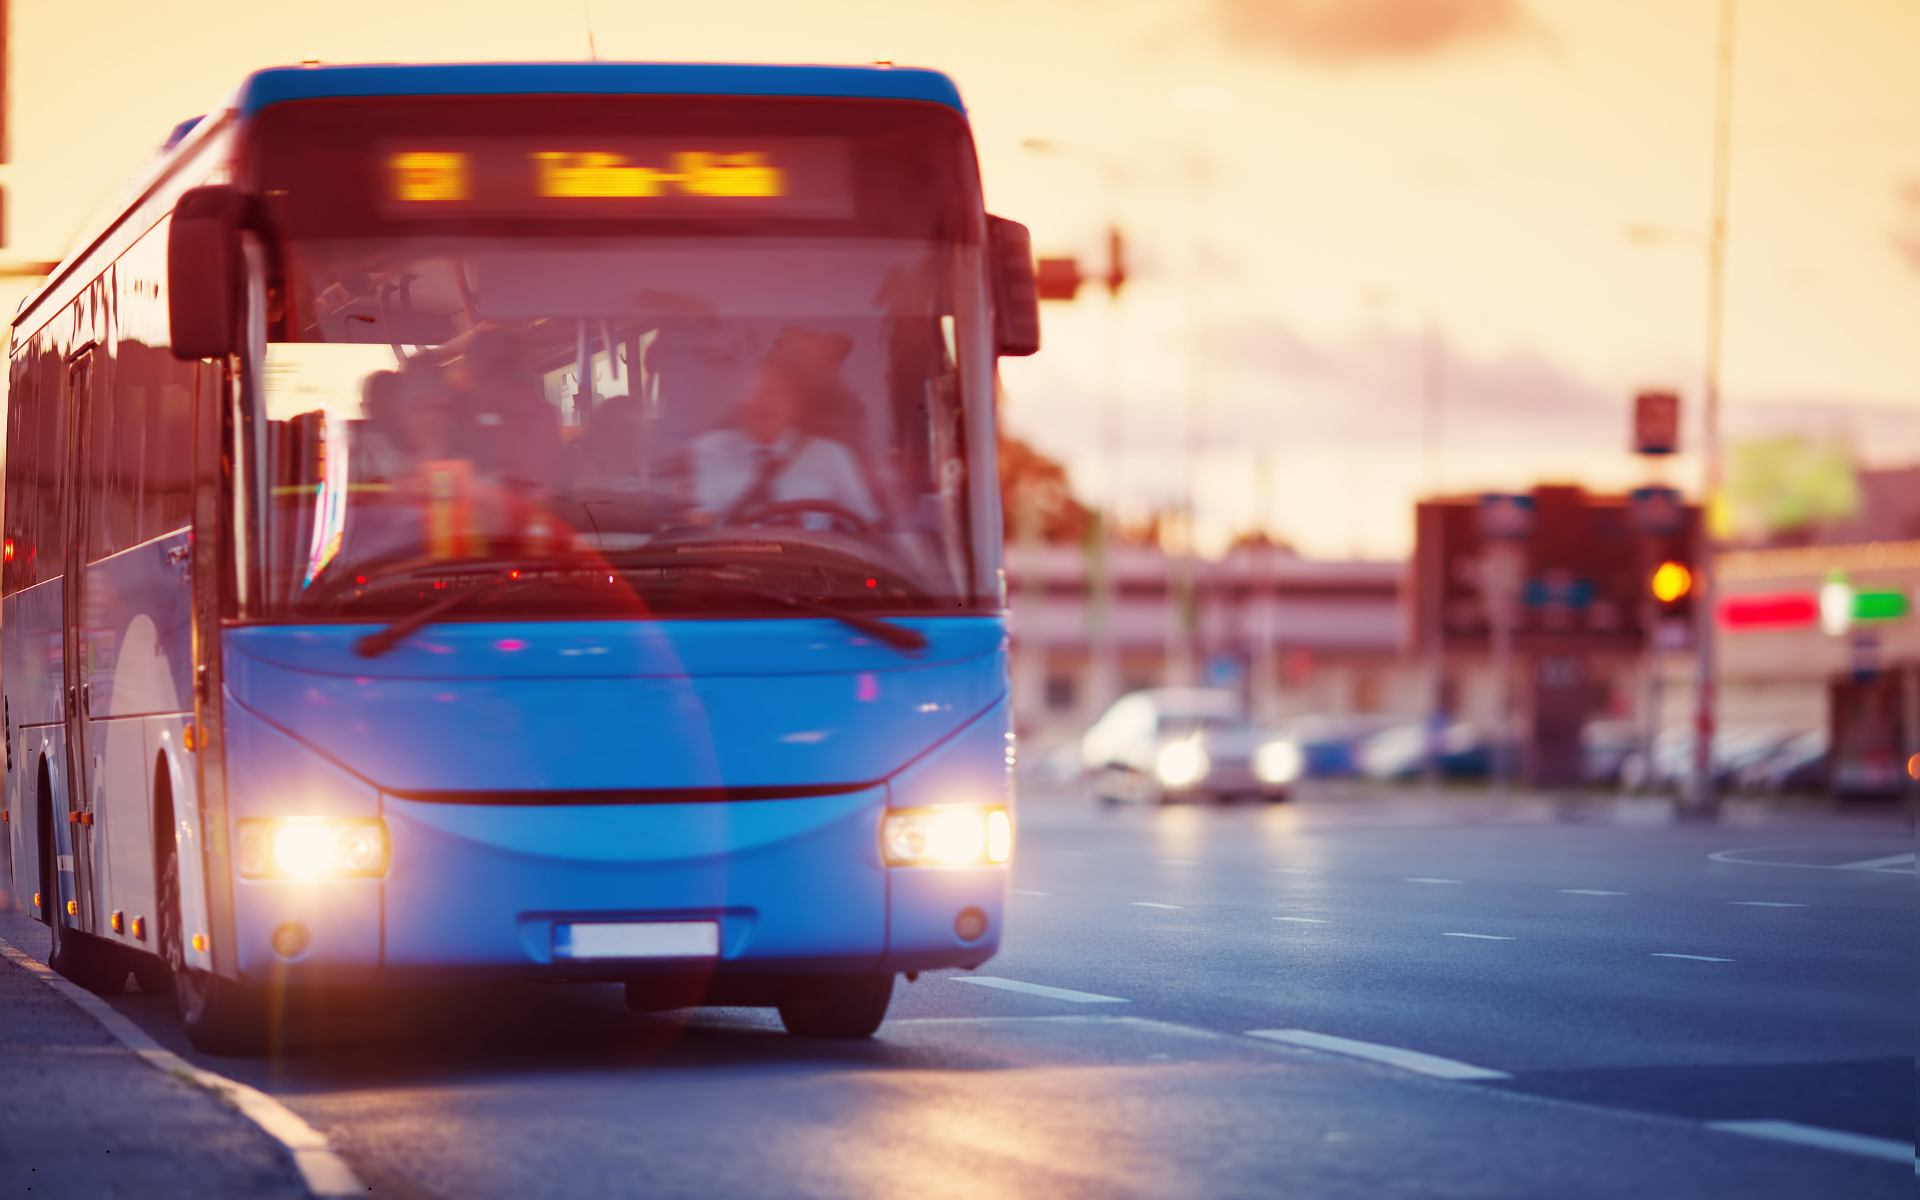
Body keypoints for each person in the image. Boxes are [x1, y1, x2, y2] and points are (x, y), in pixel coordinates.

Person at [688, 329, 881, 530]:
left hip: (812, 559)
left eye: (779, 393)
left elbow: (866, 524)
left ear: (797, 406)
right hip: (730, 558)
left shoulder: (831, 455)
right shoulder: (710, 449)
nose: (765, 402)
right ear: (740, 400)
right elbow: (695, 519)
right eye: (756, 391)